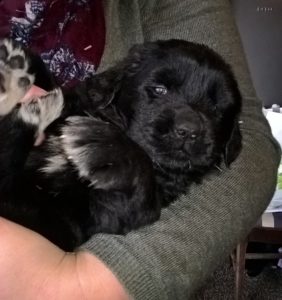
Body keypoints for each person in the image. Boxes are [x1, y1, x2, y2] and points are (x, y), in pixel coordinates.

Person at [0, 0, 280, 299]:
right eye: (159, 90)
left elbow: (252, 139)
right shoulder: (97, 104)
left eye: (214, 107)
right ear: (117, 87)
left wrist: (83, 284)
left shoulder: (136, 178)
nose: (190, 124)